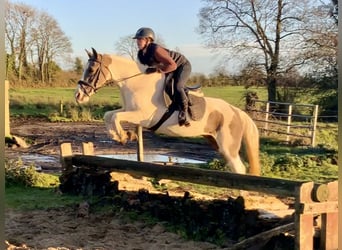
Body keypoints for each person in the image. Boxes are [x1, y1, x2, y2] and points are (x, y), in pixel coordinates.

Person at [133, 27, 191, 127]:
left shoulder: (156, 50)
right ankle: (172, 106)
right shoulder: (141, 54)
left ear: (148, 40)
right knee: (165, 87)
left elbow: (173, 65)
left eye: (140, 39)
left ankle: (183, 112)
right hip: (168, 67)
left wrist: (157, 70)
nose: (138, 42)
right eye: (137, 39)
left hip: (181, 65)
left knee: (178, 86)